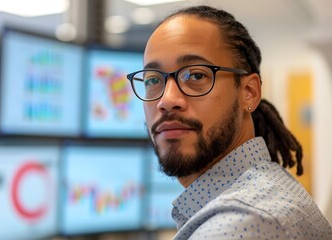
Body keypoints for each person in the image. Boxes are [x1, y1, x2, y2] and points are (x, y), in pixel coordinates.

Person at [126, 5, 332, 240]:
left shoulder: (242, 224)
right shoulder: (261, 196)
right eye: (153, 79)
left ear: (249, 92)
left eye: (196, 75)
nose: (167, 100)